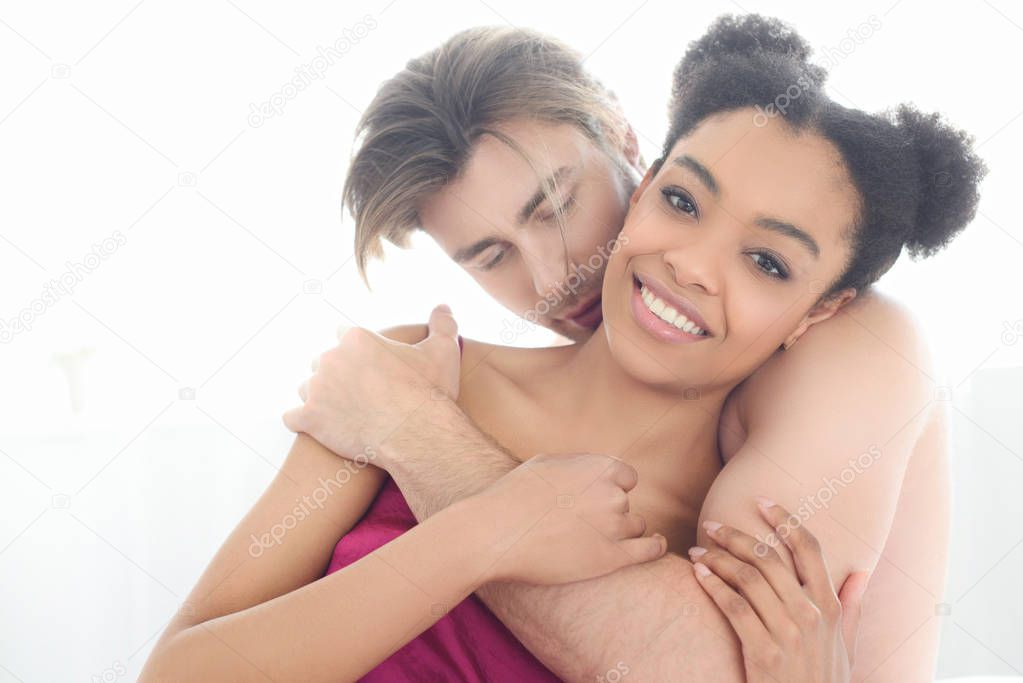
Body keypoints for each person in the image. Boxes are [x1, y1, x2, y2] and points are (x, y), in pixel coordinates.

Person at [290, 15, 984, 681]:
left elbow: (712, 664)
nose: (550, 281)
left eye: (557, 207)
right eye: (490, 255)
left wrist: (420, 439)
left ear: (629, 147)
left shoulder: (857, 343)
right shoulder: (425, 367)